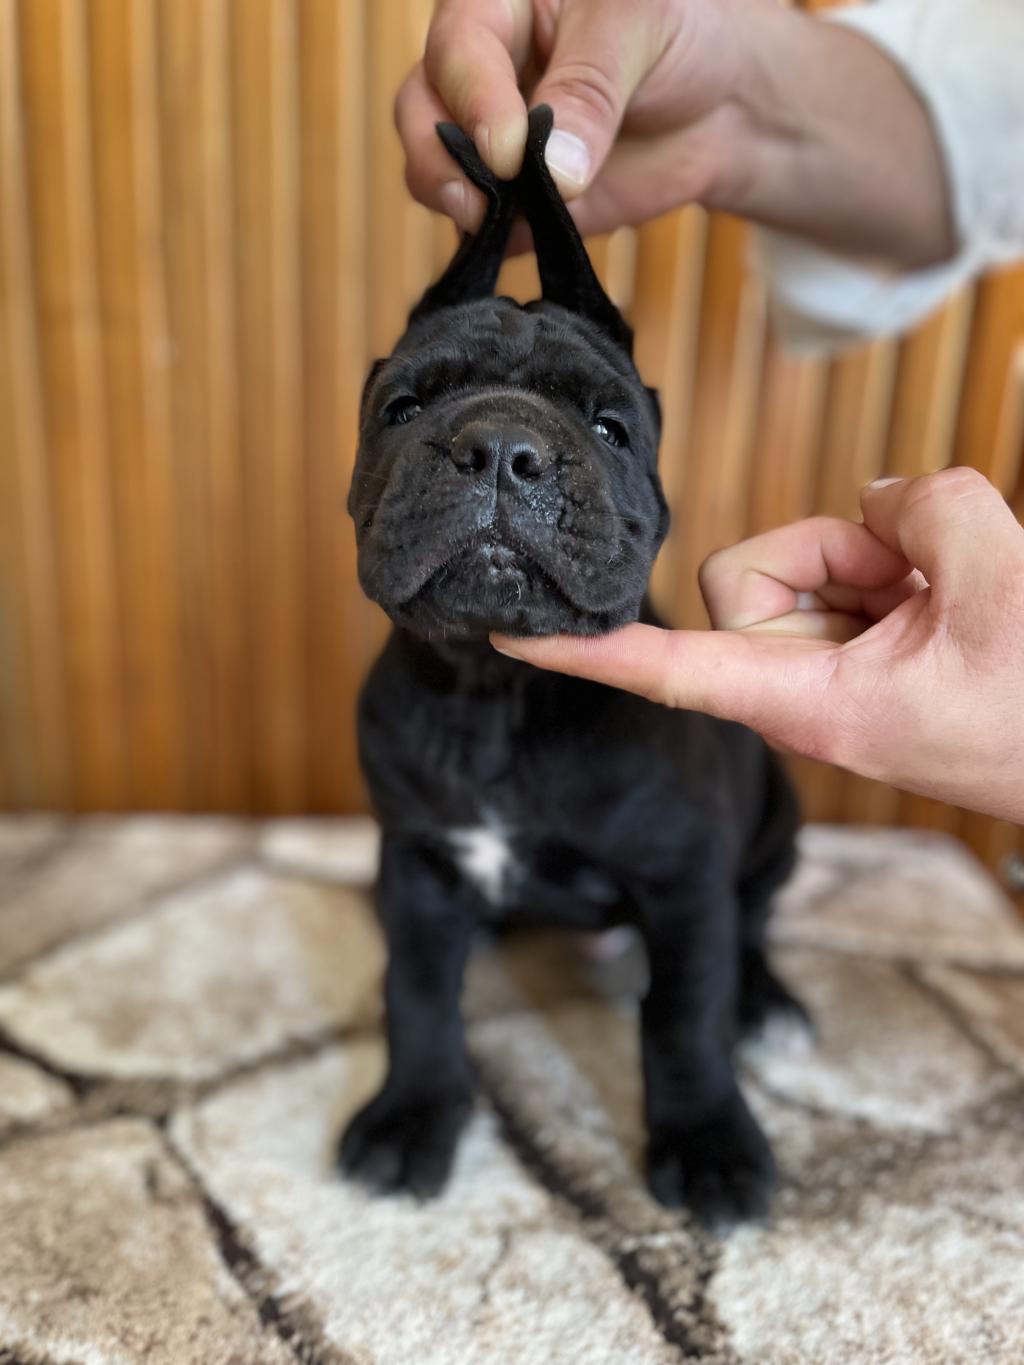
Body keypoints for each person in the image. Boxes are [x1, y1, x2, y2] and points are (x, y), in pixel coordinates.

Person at [396, 0, 1024, 825]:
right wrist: (736, 107)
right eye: (407, 405)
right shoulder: (392, 719)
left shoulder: (660, 744)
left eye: (609, 428)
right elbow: (981, 121)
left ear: (658, 494)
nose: (504, 450)